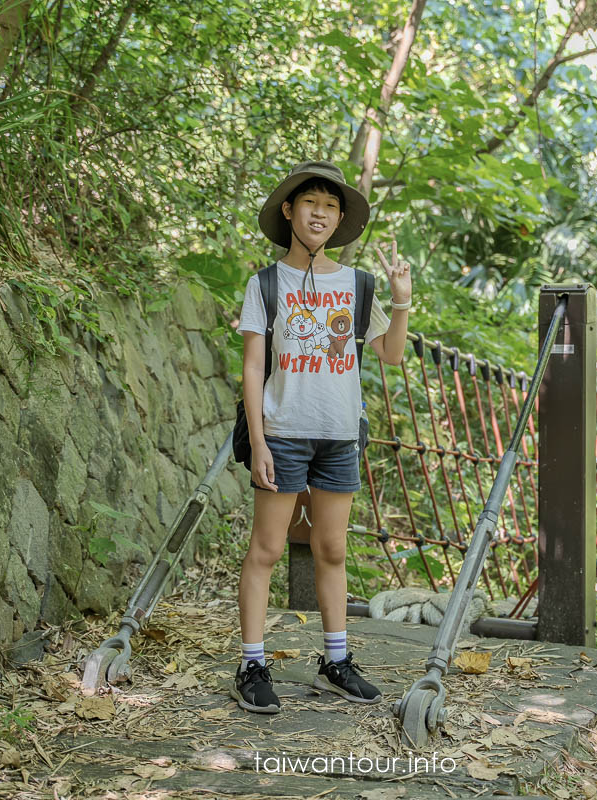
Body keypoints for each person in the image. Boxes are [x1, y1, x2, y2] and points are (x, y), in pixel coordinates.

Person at [232, 161, 412, 714]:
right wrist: (259, 442)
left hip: (339, 434)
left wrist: (401, 298)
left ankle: (336, 660)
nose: (320, 214)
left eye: (331, 207)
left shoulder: (357, 286)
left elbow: (390, 354)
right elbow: (253, 367)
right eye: (311, 203)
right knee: (265, 548)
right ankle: (252, 664)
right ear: (289, 210)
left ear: (339, 220)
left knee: (332, 548)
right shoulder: (265, 283)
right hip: (283, 430)